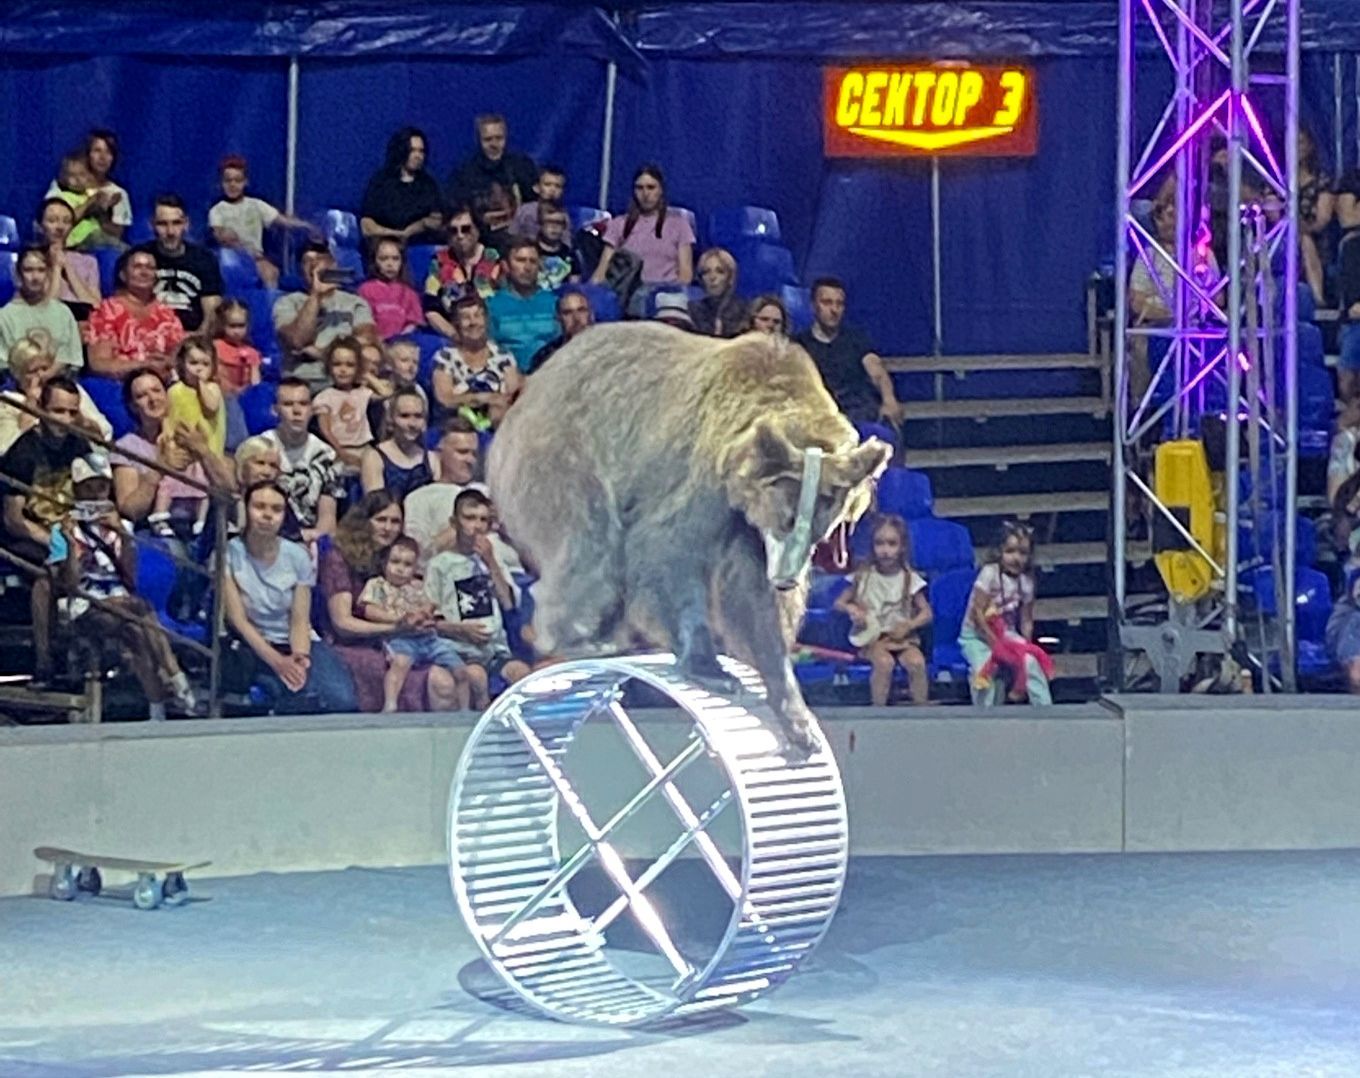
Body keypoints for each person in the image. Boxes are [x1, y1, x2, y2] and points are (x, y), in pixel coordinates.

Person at [50, 453, 196, 720]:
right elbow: (69, 584)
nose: (96, 495)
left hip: (120, 600)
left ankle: (157, 710)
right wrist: (72, 545)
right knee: (138, 608)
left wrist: (124, 537)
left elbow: (129, 578)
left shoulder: (122, 526)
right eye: (89, 488)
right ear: (78, 490)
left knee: (137, 633)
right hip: (85, 603)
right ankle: (175, 673)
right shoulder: (64, 529)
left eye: (102, 487)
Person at [317, 491, 469, 712]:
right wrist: (396, 627)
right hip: (356, 645)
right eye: (381, 520)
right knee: (441, 683)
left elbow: (422, 603)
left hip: (409, 640)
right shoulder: (339, 559)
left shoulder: (400, 559)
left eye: (395, 521)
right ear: (364, 522)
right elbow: (343, 624)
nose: (388, 528)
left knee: (463, 675)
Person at [224, 481, 358, 713]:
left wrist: (299, 658)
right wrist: (278, 662)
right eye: (259, 507)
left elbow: (299, 619)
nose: (267, 515)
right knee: (289, 698)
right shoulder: (228, 553)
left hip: (299, 642)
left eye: (276, 509)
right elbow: (239, 621)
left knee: (343, 700)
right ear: (246, 509)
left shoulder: (297, 556)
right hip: (254, 646)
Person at [0, 374, 91, 683]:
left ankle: (88, 658)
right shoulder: (22, 454)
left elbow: (92, 493)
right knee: (47, 573)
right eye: (57, 411)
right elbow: (13, 520)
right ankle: (45, 661)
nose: (65, 420)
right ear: (40, 409)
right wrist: (58, 542)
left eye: (71, 412)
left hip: (71, 527)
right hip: (25, 534)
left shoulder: (78, 444)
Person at [426, 488, 530, 706]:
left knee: (522, 675)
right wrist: (461, 630)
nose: (477, 525)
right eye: (470, 518)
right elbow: (430, 621)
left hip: (495, 650)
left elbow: (508, 603)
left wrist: (491, 561)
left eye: (483, 519)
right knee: (476, 677)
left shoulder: (492, 560)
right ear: (455, 522)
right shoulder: (439, 565)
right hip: (462, 649)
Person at [359, 535, 470, 712]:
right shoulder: (377, 585)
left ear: (415, 568)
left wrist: (425, 613)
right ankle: (390, 705)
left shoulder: (418, 588)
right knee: (400, 664)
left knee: (461, 670)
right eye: (395, 562)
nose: (400, 569)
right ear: (384, 564)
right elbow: (369, 610)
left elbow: (433, 609)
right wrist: (399, 620)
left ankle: (465, 711)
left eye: (407, 565)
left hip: (429, 639)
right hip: (401, 637)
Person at [834, 513, 931, 706]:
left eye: (892, 544)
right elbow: (839, 603)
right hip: (873, 638)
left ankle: (922, 710)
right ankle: (878, 710)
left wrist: (909, 624)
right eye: (879, 544)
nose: (885, 550)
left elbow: (927, 613)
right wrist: (852, 609)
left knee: (916, 663)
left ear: (902, 547)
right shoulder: (863, 576)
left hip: (901, 637)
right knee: (884, 664)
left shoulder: (909, 578)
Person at [959, 521, 1052, 707]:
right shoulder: (989, 574)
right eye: (1010, 552)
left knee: (1031, 662)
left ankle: (1045, 709)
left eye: (1022, 553)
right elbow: (977, 612)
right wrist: (994, 643)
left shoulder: (1027, 582)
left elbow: (1026, 619)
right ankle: (985, 716)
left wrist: (1025, 644)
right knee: (984, 669)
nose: (1016, 558)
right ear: (1000, 552)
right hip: (977, 636)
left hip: (1006, 634)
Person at [794, 277, 905, 427]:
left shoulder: (856, 340)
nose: (834, 310)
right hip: (817, 416)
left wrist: (889, 399)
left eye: (839, 304)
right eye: (827, 302)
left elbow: (876, 370)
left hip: (857, 412)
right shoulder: (798, 345)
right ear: (814, 306)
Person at [272, 241, 378, 384]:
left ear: (333, 264)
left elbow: (366, 339)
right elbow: (297, 340)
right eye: (307, 261)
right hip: (303, 382)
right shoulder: (287, 302)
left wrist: (321, 353)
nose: (313, 265)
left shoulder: (354, 303)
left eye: (320, 259)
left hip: (345, 381)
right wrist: (316, 295)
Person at [149, 337, 223, 537]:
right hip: (180, 446)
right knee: (169, 483)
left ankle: (201, 519)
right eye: (193, 363)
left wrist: (201, 384)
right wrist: (166, 433)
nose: (198, 368)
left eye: (205, 364)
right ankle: (161, 515)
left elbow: (211, 407)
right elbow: (169, 416)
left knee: (202, 484)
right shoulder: (174, 391)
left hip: (204, 447)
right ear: (182, 364)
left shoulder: (213, 389)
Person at [591, 164, 695, 308]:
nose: (645, 194)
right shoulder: (619, 224)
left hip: (665, 295)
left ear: (661, 191)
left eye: (651, 187)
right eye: (640, 188)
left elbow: (685, 275)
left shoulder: (679, 224)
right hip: (628, 294)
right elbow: (603, 269)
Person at [209, 155, 316, 290]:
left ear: (245, 182)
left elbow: (282, 220)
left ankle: (268, 306)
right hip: (231, 259)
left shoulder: (256, 205)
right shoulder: (218, 209)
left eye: (238, 180)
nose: (232, 185)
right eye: (228, 181)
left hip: (256, 259)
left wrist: (308, 226)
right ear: (221, 183)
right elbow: (219, 234)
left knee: (271, 272)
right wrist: (232, 240)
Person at [259, 377, 343, 543]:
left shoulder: (326, 455)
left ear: (311, 409)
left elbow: (328, 522)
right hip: (268, 536)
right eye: (288, 404)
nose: (297, 411)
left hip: (311, 540)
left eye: (303, 404)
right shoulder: (261, 449)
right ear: (275, 410)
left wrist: (306, 539)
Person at [0, 333, 110, 456]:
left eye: (45, 369)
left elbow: (105, 432)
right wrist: (30, 403)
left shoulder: (69, 392)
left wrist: (79, 419)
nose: (41, 376)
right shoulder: (7, 402)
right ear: (17, 373)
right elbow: (8, 447)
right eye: (32, 371)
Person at [403, 416, 488, 568]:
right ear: (440, 452)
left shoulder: (488, 492)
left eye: (474, 454)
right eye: (462, 452)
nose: (470, 460)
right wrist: (462, 529)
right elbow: (417, 557)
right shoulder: (420, 498)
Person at [86, 249, 185, 378]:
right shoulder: (107, 311)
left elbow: (179, 356)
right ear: (123, 274)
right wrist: (144, 365)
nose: (144, 272)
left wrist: (168, 363)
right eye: (137, 267)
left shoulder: (166, 313)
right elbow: (99, 364)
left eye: (150, 268)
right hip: (120, 384)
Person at [431, 296, 522, 428]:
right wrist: (482, 398)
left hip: (498, 425)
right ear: (457, 324)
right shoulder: (445, 357)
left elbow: (512, 398)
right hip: (457, 428)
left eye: (477, 316)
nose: (473, 322)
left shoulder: (504, 357)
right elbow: (444, 399)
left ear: (486, 321)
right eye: (466, 318)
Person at [136, 194, 223, 332]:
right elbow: (128, 307)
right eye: (162, 224)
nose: (170, 232)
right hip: (148, 338)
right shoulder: (138, 258)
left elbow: (212, 316)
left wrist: (194, 343)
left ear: (186, 224)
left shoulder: (205, 259)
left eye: (176, 223)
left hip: (193, 341)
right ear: (151, 224)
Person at [422, 205, 502, 338]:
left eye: (466, 229)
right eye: (453, 231)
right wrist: (454, 335)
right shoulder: (438, 263)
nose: (460, 236)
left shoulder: (495, 258)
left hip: (494, 333)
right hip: (454, 335)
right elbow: (431, 309)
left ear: (478, 230)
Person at [359, 127, 446, 249]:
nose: (418, 156)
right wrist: (397, 235)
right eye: (412, 150)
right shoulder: (381, 182)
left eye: (421, 151)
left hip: (418, 247)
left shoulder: (429, 185)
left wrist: (414, 229)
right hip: (383, 247)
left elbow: (436, 221)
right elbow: (366, 226)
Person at [0, 246, 84, 369]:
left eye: (41, 270)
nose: (35, 277)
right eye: (28, 270)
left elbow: (72, 360)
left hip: (58, 383)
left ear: (49, 273)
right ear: (18, 274)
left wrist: (47, 375)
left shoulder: (63, 313)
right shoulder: (4, 316)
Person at [46, 129, 131, 249]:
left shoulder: (117, 193)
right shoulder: (60, 188)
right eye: (97, 151)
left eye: (109, 152)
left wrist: (103, 212)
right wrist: (90, 204)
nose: (102, 157)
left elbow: (116, 234)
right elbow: (52, 223)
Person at [486, 238, 558, 372]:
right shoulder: (491, 306)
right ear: (506, 266)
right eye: (520, 260)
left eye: (533, 261)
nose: (527, 267)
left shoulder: (555, 303)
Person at [446, 114, 538, 214]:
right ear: (479, 140)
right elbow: (456, 208)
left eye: (499, 138)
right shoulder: (464, 173)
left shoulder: (523, 166)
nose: (494, 144)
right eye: (488, 139)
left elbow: (535, 205)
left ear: (506, 138)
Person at [313, 336, 375, 477]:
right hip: (338, 448)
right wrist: (340, 451)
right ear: (329, 366)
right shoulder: (324, 397)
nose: (343, 370)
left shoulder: (362, 392)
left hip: (364, 448)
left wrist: (366, 375)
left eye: (350, 365)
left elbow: (387, 392)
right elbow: (325, 430)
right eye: (337, 364)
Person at [360, 386, 436, 498]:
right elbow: (375, 505)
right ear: (391, 420)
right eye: (404, 416)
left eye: (418, 416)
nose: (412, 424)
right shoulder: (375, 457)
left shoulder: (431, 459)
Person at [37, 198, 101, 320]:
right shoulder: (34, 260)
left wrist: (68, 267)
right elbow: (45, 308)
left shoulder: (88, 261)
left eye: (66, 222)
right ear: (40, 225)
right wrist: (56, 268)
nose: (60, 227)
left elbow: (95, 305)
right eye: (52, 220)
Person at [356, 238, 424, 340]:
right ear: (375, 261)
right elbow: (363, 322)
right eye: (383, 259)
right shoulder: (365, 290)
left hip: (402, 344)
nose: (390, 264)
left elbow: (413, 324)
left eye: (395, 258)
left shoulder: (410, 294)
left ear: (402, 262)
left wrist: (398, 339)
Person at [1298, 129, 1334, 307]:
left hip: (1314, 237)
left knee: (1306, 241)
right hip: (1281, 238)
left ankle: (1317, 296)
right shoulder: (1277, 181)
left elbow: (1323, 219)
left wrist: (1302, 228)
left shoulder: (1321, 181)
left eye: (1301, 142)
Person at [528, 288, 593, 372]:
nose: (576, 318)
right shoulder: (545, 356)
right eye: (567, 313)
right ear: (558, 318)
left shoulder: (607, 341)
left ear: (591, 313)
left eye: (581, 310)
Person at [690, 247, 748, 337]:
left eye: (720, 271)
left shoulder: (744, 310)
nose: (712, 277)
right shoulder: (693, 310)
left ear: (730, 277)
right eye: (706, 272)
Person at [50, 153, 103, 251]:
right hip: (79, 240)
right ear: (64, 178)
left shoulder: (87, 194)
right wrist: (88, 203)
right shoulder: (63, 197)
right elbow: (70, 217)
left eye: (82, 174)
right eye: (72, 176)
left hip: (95, 234)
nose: (77, 179)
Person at [212, 297, 264, 393]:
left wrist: (250, 392)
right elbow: (216, 375)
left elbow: (255, 381)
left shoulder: (252, 353)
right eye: (232, 326)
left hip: (245, 397)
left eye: (241, 326)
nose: (237, 331)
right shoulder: (214, 348)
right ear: (222, 325)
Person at [533, 201, 582, 289]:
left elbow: (574, 285)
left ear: (564, 227)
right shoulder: (530, 251)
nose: (554, 227)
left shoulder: (570, 255)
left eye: (559, 223)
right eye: (549, 222)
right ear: (540, 223)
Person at [511, 163, 568, 238]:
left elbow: (566, 243)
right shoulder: (525, 211)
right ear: (536, 188)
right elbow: (512, 235)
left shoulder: (563, 215)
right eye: (547, 184)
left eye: (558, 186)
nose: (552, 190)